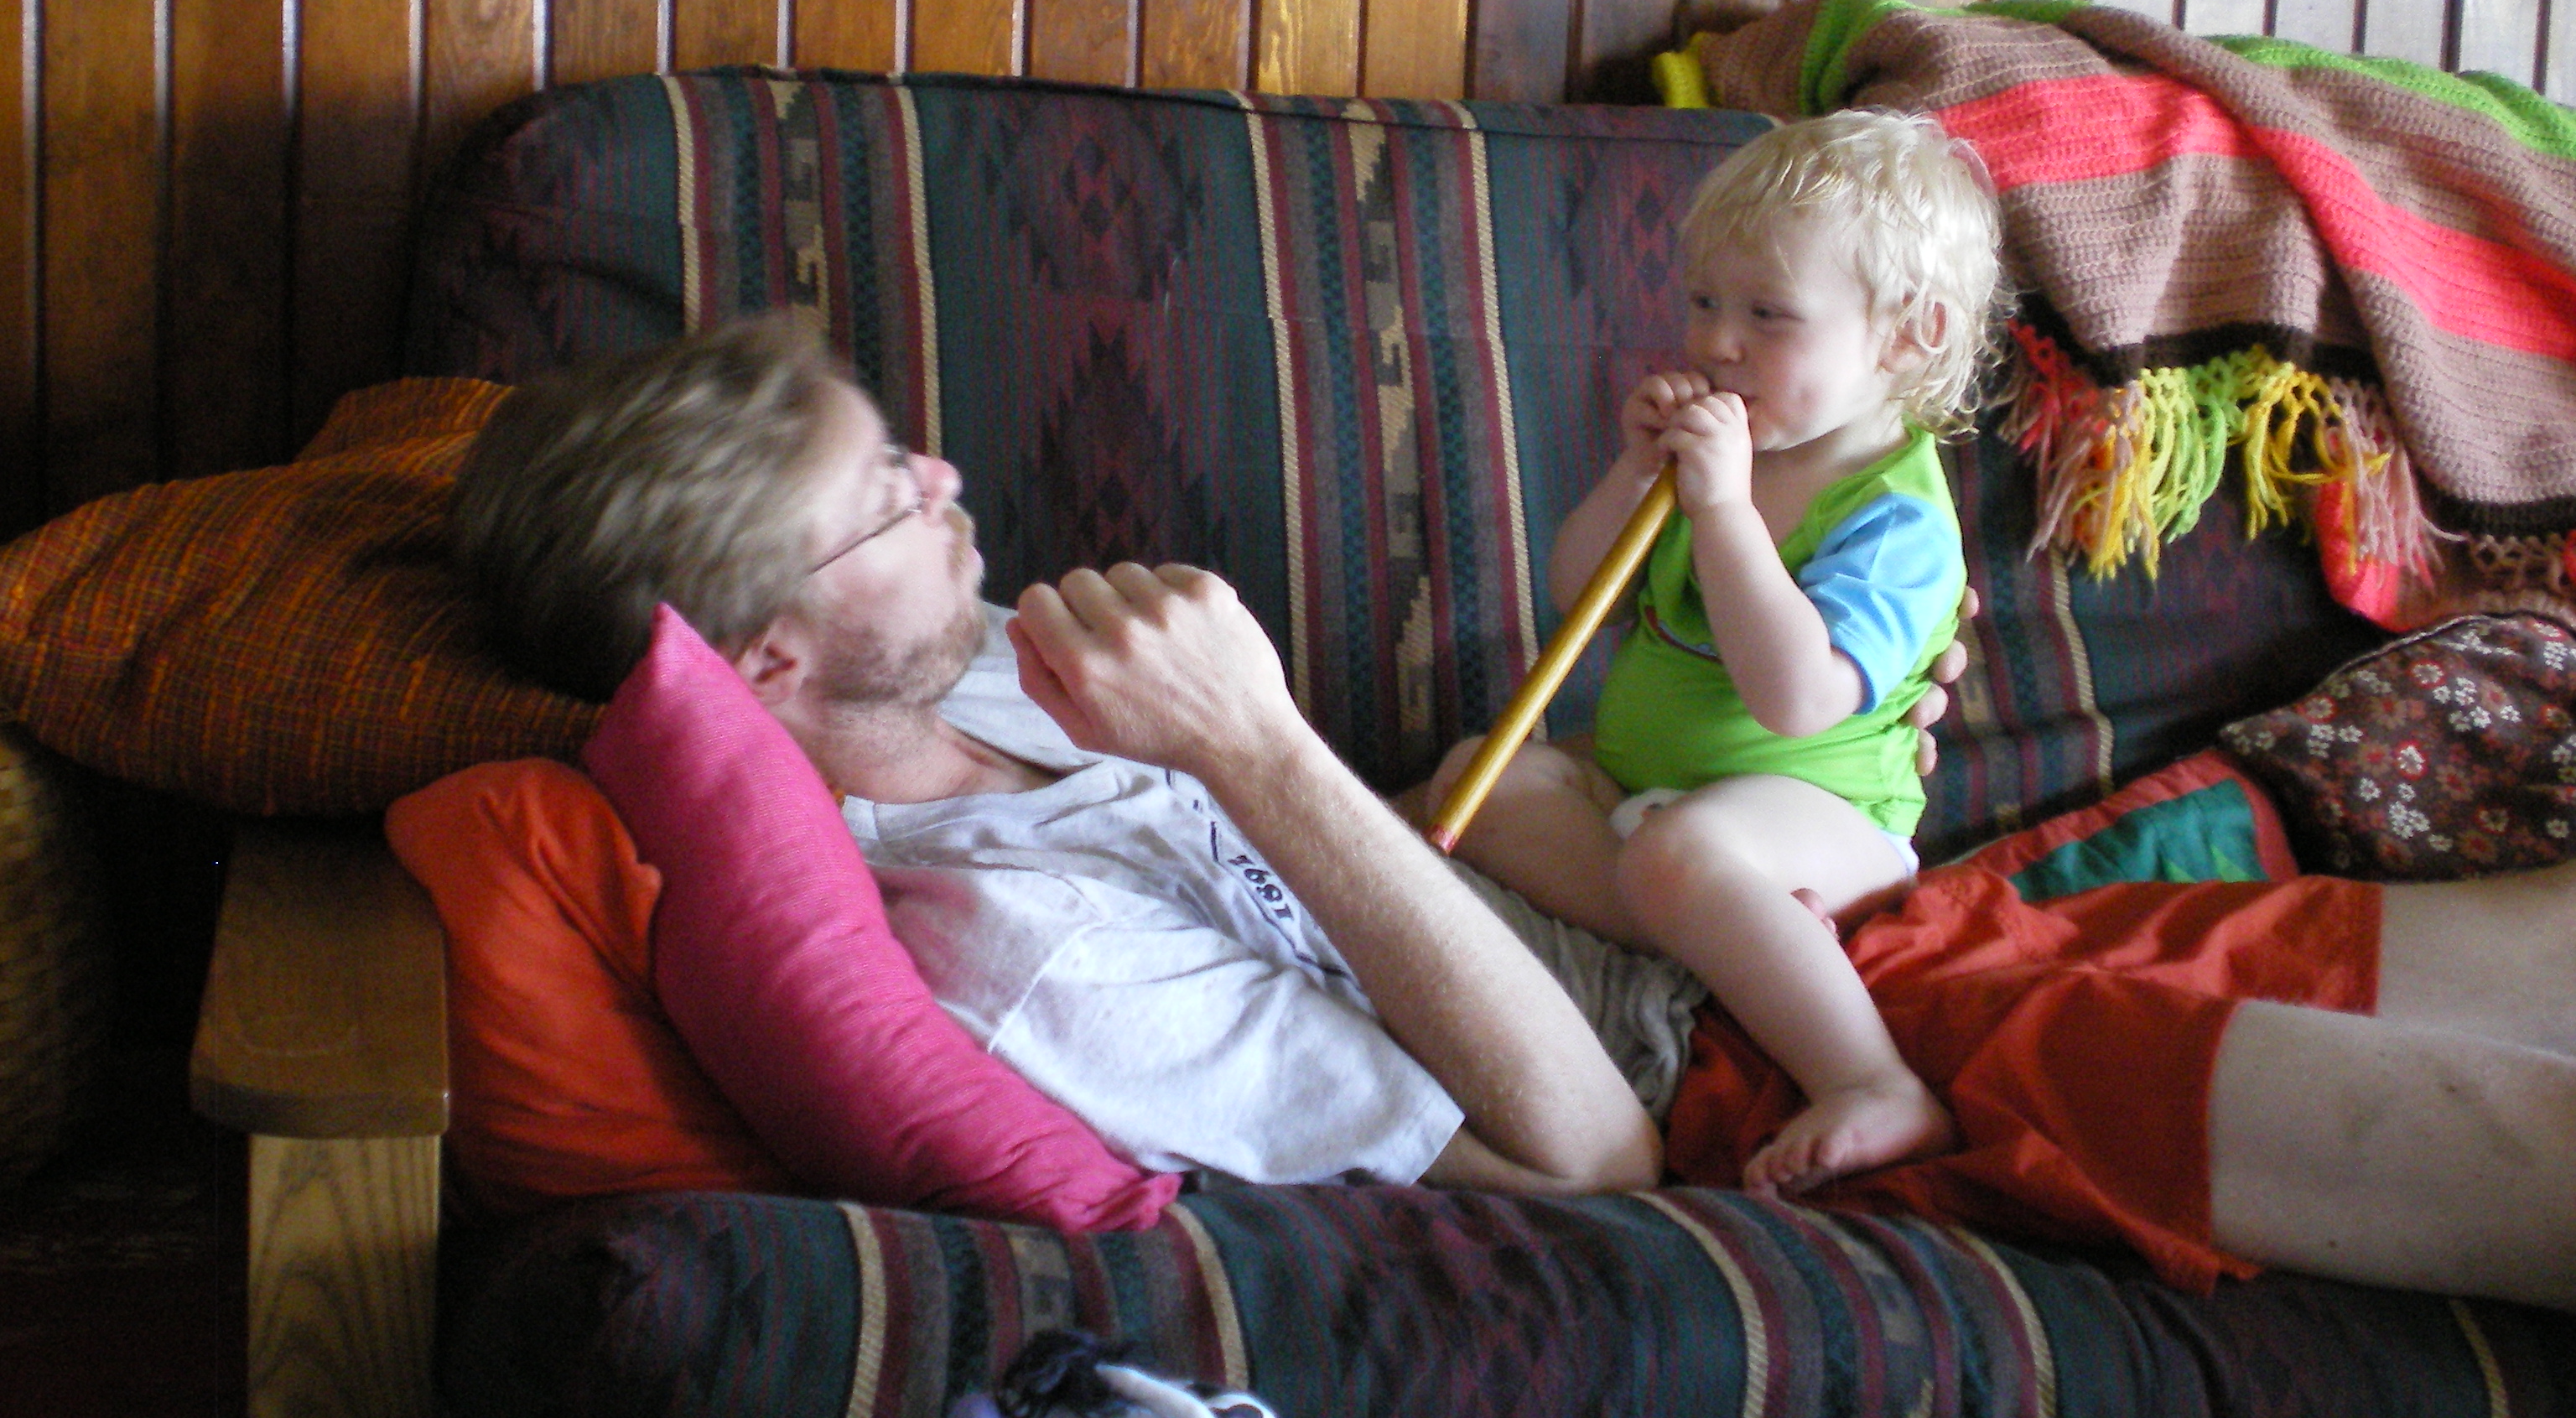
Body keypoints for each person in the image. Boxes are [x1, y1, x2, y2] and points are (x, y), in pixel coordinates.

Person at [449, 315, 2576, 1313]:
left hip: (1778, 934)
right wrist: (1259, 749)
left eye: (908, 450)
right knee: (2510, 1139)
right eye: (886, 503)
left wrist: (1786, 744)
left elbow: (1363, 876)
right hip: (1736, 1086)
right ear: (763, 667)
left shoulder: (986, 667)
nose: (948, 485)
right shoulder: (1003, 953)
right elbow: (1583, 1156)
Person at [1431, 110, 2005, 1194]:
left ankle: (1873, 1081)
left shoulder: (1895, 521)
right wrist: (1634, 475)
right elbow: (1577, 593)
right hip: (1654, 812)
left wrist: (1726, 512)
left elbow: (1797, 698)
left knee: (1677, 856)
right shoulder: (1726, 458)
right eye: (1703, 303)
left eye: (1767, 314)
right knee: (1481, 779)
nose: (1716, 344)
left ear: (1908, 336)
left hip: (1827, 823)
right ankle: (1714, 932)